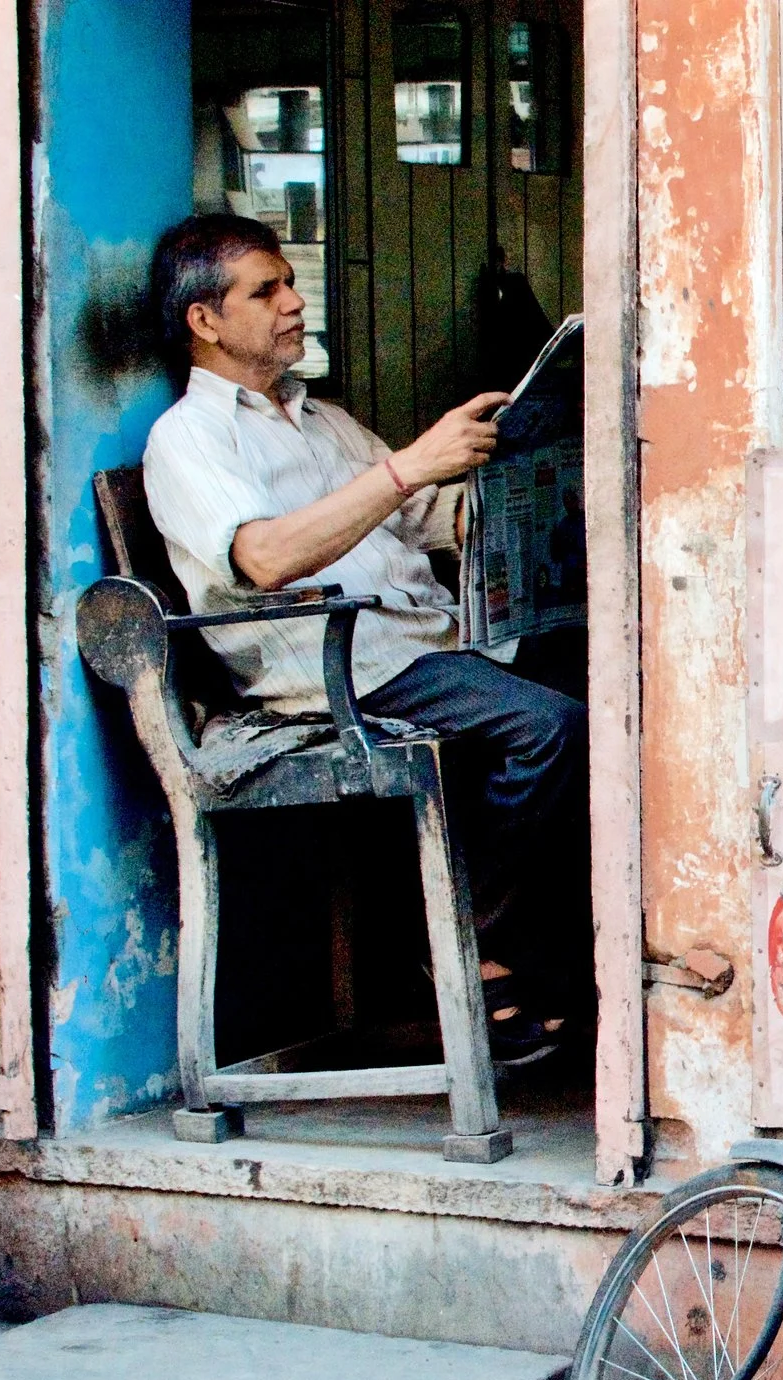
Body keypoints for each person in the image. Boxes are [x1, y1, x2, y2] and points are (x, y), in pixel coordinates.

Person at [140, 213, 587, 1067]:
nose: (293, 303)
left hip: (427, 639)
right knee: (548, 728)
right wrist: (411, 463)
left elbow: (431, 518)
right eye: (265, 290)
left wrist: (541, 498)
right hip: (338, 667)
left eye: (289, 284)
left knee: (612, 693)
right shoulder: (189, 439)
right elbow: (264, 557)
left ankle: (544, 953)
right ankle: (453, 938)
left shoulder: (325, 423)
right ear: (206, 320)